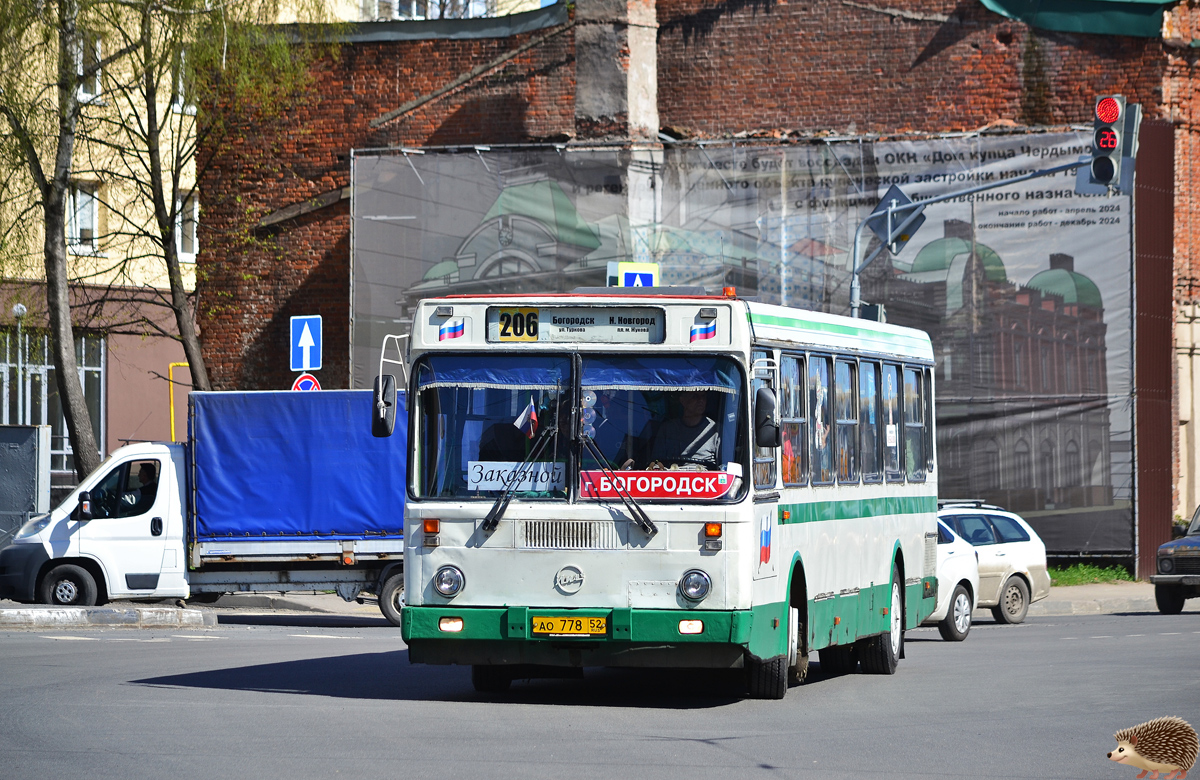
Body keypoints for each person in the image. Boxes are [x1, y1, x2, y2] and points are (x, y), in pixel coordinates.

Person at [648, 390, 720, 469]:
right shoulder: (667, 429)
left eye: (703, 396)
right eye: (695, 396)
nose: (701, 400)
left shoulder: (714, 430)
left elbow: (723, 467)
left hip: (706, 479)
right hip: (671, 478)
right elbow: (656, 463)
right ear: (682, 400)